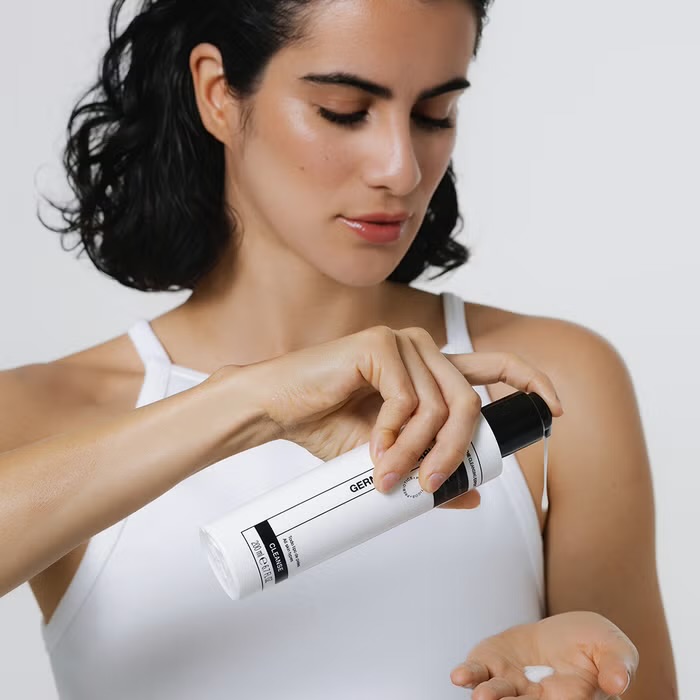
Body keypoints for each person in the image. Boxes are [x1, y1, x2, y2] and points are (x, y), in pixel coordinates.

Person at [0, 0, 675, 697]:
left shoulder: (546, 383)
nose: (401, 170)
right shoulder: (39, 415)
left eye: (434, 114)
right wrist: (251, 403)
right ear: (218, 93)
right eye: (344, 111)